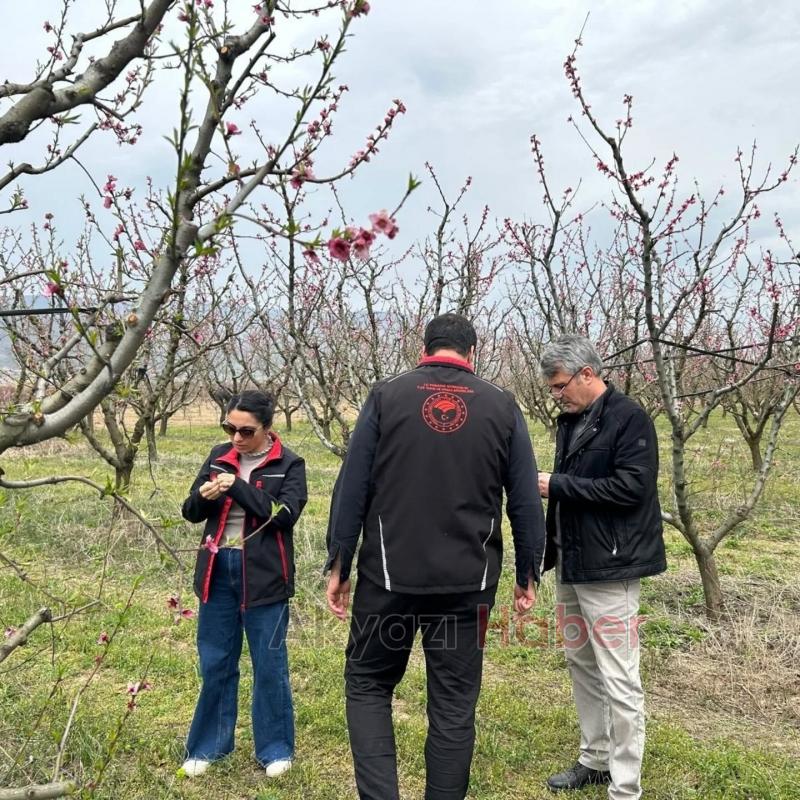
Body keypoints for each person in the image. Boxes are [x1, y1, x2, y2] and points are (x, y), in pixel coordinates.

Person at [325, 313, 546, 800]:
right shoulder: (502, 405)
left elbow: (352, 486)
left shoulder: (387, 396)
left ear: (424, 348)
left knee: (368, 685)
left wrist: (338, 561)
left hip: (389, 578)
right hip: (468, 583)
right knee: (453, 704)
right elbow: (525, 497)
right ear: (472, 352)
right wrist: (529, 569)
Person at [537, 335, 666, 800]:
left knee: (619, 676)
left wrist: (557, 485)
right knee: (582, 664)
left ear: (587, 373)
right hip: (573, 562)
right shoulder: (572, 421)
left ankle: (625, 786)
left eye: (559, 386)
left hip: (611, 567)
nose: (556, 395)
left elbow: (631, 488)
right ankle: (595, 757)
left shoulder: (629, 419)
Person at [180, 390, 307, 779]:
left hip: (265, 575)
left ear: (267, 428)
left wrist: (236, 486)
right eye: (229, 428)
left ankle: (275, 748)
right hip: (217, 569)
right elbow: (189, 512)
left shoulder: (289, 464)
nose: (236, 438)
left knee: (269, 664)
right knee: (216, 660)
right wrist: (203, 497)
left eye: (246, 431)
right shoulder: (218, 456)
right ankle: (208, 746)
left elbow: (283, 515)